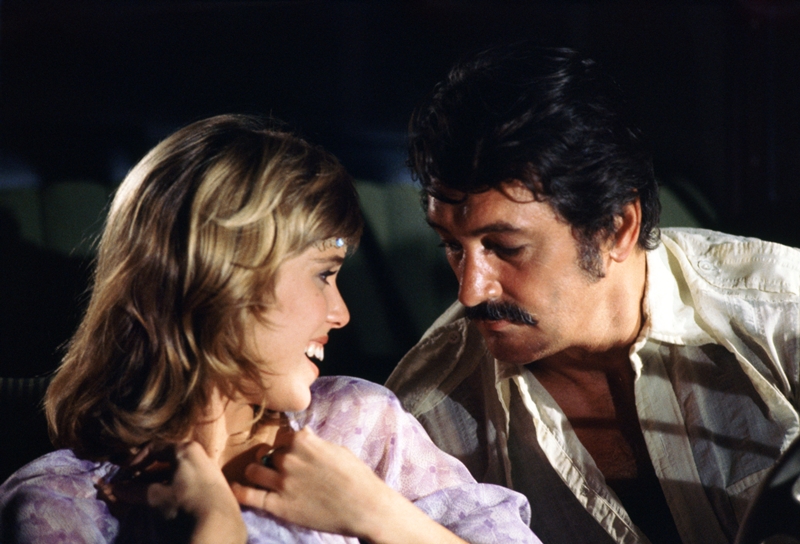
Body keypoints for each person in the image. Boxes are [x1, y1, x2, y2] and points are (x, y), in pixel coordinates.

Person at [0, 114, 539, 544]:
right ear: (223, 280)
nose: (341, 313)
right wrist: (215, 529)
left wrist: (378, 515)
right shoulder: (65, 504)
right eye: (323, 275)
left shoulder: (359, 426)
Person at [385, 42, 800, 544]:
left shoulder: (782, 313)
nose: (470, 291)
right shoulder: (424, 416)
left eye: (506, 248)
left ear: (616, 229)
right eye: (452, 246)